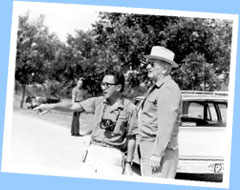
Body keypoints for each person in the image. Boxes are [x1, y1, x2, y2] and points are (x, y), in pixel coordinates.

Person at [34, 70, 138, 176]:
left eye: (107, 85)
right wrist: (50, 106)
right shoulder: (97, 102)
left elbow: (131, 138)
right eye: (102, 84)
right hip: (93, 152)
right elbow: (72, 106)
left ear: (118, 87)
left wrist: (129, 163)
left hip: (113, 156)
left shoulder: (130, 108)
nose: (103, 88)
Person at [138, 46, 182, 178]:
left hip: (158, 151)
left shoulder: (168, 88)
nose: (147, 67)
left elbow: (166, 125)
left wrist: (157, 153)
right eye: (148, 63)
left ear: (165, 69)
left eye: (152, 64)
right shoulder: (158, 87)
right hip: (150, 147)